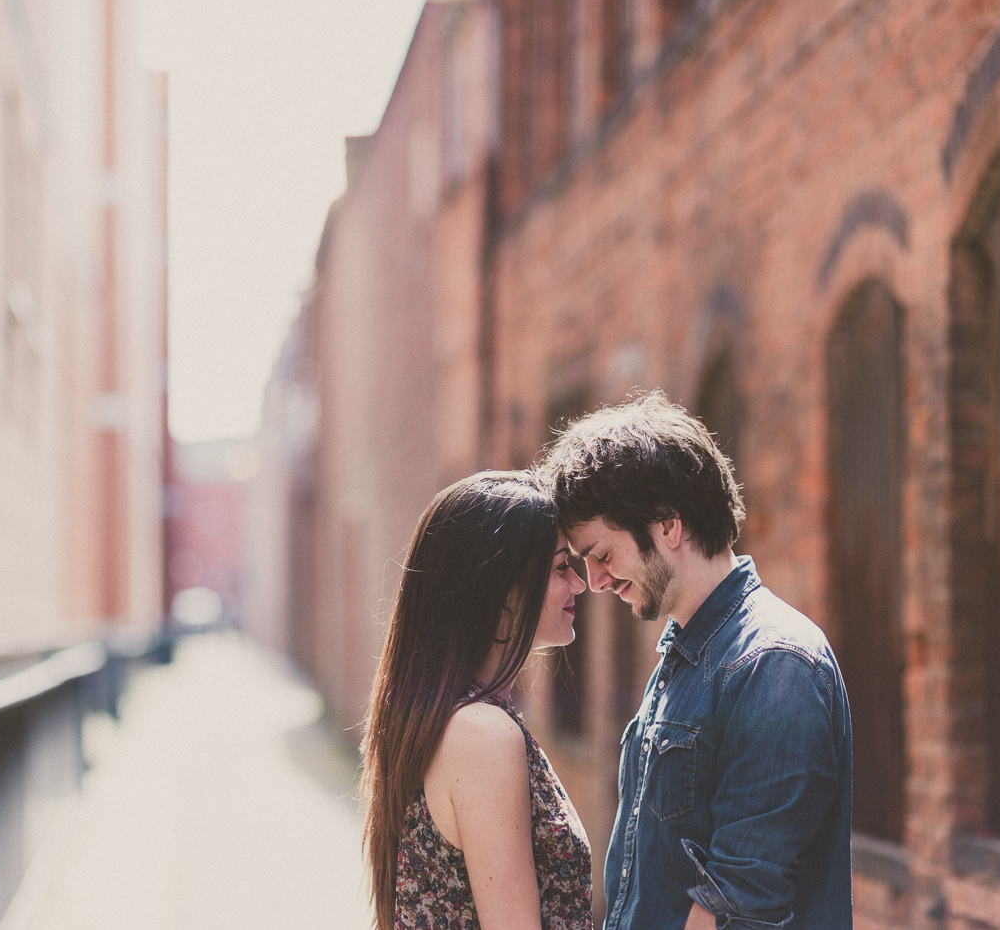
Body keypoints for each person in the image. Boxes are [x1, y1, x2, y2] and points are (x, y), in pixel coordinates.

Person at [539, 392, 853, 930]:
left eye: (603, 555)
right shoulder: (686, 656)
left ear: (668, 526)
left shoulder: (774, 665)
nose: (595, 581)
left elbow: (739, 905)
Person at [361, 472, 593, 930]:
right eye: (560, 567)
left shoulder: (447, 717)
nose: (579, 584)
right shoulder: (482, 734)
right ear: (505, 589)